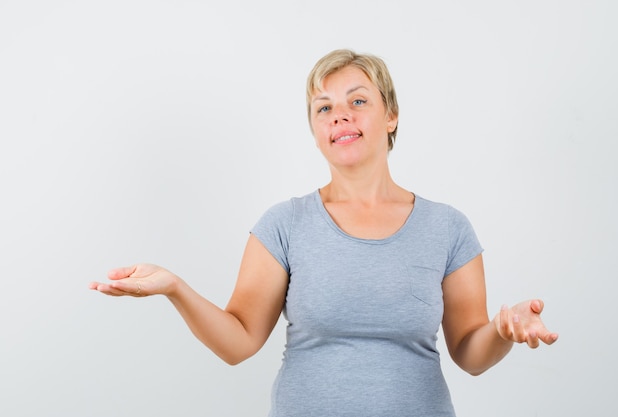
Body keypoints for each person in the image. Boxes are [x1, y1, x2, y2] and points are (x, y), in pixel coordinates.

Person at [90, 49, 558, 417]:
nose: (340, 115)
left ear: (390, 115)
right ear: (315, 130)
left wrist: (501, 329)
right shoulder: (284, 224)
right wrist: (174, 287)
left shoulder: (448, 227)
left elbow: (469, 353)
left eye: (358, 100)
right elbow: (238, 341)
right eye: (324, 107)